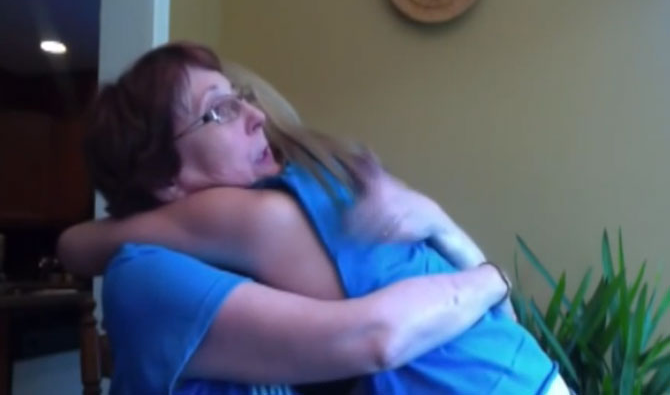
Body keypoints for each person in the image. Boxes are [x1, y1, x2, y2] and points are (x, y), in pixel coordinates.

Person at [59, 42, 570, 395]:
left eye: (240, 100)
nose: (256, 117)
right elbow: (378, 338)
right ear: (162, 176)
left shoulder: (273, 212)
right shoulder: (210, 238)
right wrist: (491, 278)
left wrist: (447, 232)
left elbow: (80, 245)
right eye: (220, 111)